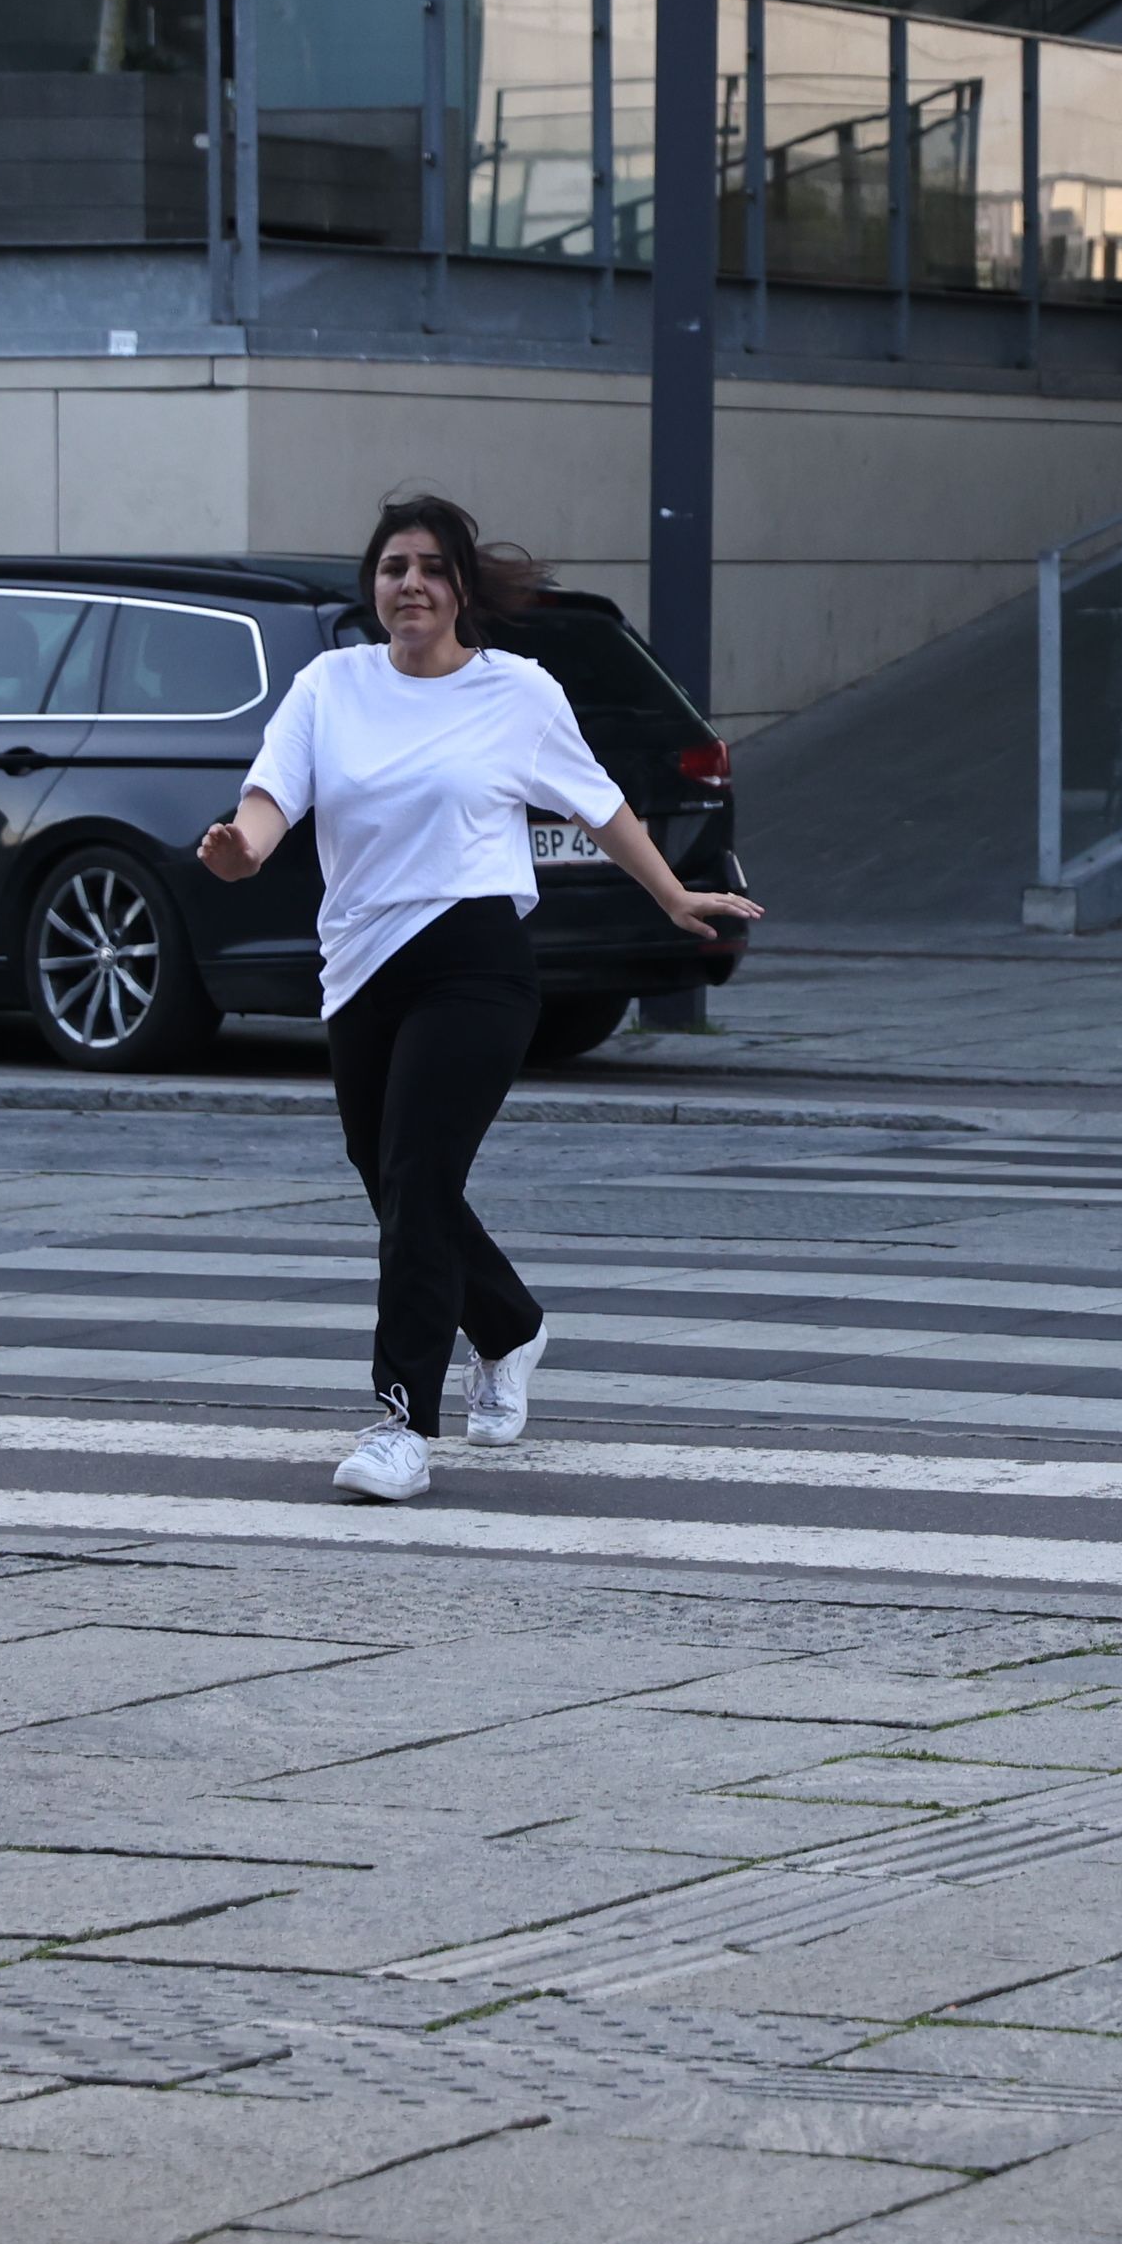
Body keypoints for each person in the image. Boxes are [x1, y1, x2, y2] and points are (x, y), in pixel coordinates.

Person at [207, 495, 763, 1498]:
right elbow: (269, 800)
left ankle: (401, 1425)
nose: (411, 584)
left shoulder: (517, 691)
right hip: (361, 965)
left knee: (418, 1175)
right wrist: (241, 849)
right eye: (394, 568)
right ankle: (508, 1326)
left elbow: (600, 803)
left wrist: (673, 893)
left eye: (431, 567)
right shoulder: (331, 685)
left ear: (462, 586)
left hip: (476, 961)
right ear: (373, 587)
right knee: (391, 1178)